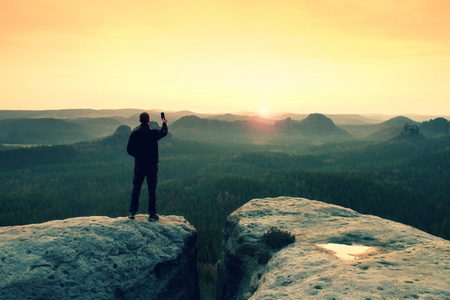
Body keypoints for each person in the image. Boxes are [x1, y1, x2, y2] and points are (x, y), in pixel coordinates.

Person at [126, 112, 168, 221]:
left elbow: (129, 150)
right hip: (152, 166)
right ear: (148, 120)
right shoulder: (152, 133)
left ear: (140, 120)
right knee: (152, 189)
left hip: (139, 165)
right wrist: (164, 122)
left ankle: (132, 212)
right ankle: (152, 214)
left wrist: (138, 155)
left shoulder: (135, 134)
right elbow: (164, 132)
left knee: (136, 187)